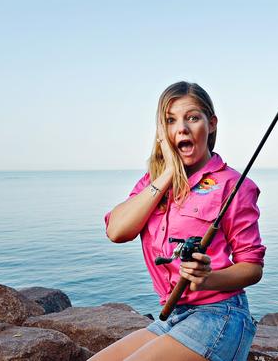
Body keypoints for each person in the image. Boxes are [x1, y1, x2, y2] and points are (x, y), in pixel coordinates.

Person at [92, 81, 265, 361]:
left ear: (211, 124)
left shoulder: (234, 185)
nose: (182, 128)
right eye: (171, 121)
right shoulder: (152, 184)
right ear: (163, 132)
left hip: (220, 316)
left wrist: (207, 279)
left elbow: (252, 267)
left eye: (192, 118)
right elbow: (116, 231)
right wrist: (168, 173)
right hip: (171, 317)